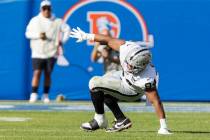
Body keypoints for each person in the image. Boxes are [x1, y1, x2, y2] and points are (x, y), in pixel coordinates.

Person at [70, 27, 172, 134]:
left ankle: (100, 120)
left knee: (94, 82)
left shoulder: (147, 78)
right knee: (102, 84)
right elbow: (108, 39)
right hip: (122, 76)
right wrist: (86, 36)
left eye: (132, 66)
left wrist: (163, 127)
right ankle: (120, 119)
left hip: (132, 90)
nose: (129, 66)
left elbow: (155, 101)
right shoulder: (127, 48)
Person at [25, 0, 70, 103]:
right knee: (37, 72)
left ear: (51, 9)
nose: (46, 10)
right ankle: (34, 94)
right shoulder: (35, 20)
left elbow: (67, 29)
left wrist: (62, 41)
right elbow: (27, 34)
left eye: (48, 8)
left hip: (52, 52)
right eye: (44, 8)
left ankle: (45, 95)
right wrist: (38, 35)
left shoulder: (57, 21)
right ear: (41, 9)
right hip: (37, 51)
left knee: (48, 73)